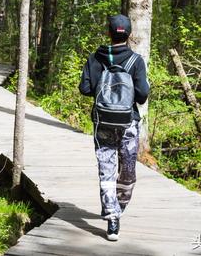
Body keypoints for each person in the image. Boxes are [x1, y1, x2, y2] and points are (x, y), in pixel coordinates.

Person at [78, 14, 150, 241]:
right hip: (128, 123)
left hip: (102, 122)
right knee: (127, 170)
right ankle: (119, 206)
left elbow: (85, 89)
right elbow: (142, 95)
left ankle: (112, 218)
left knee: (106, 168)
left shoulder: (95, 58)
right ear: (129, 35)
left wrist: (103, 91)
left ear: (109, 33)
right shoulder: (135, 61)